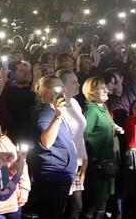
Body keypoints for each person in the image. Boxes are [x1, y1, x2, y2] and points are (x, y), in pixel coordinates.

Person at [26, 75, 78, 219]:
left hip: (61, 171)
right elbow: (46, 141)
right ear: (45, 90)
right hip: (52, 172)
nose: (61, 90)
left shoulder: (53, 110)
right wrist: (58, 116)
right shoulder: (43, 111)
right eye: (56, 87)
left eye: (62, 86)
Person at [82, 76, 122, 219]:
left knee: (103, 201)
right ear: (91, 92)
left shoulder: (102, 107)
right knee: (94, 201)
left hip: (107, 163)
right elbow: (83, 137)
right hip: (96, 165)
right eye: (101, 88)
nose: (106, 90)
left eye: (106, 87)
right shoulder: (91, 110)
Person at [55, 69, 88, 219]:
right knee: (62, 208)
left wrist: (84, 159)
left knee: (76, 207)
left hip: (78, 161)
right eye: (73, 82)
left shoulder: (75, 103)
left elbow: (80, 135)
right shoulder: (56, 107)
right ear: (62, 85)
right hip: (64, 163)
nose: (78, 84)